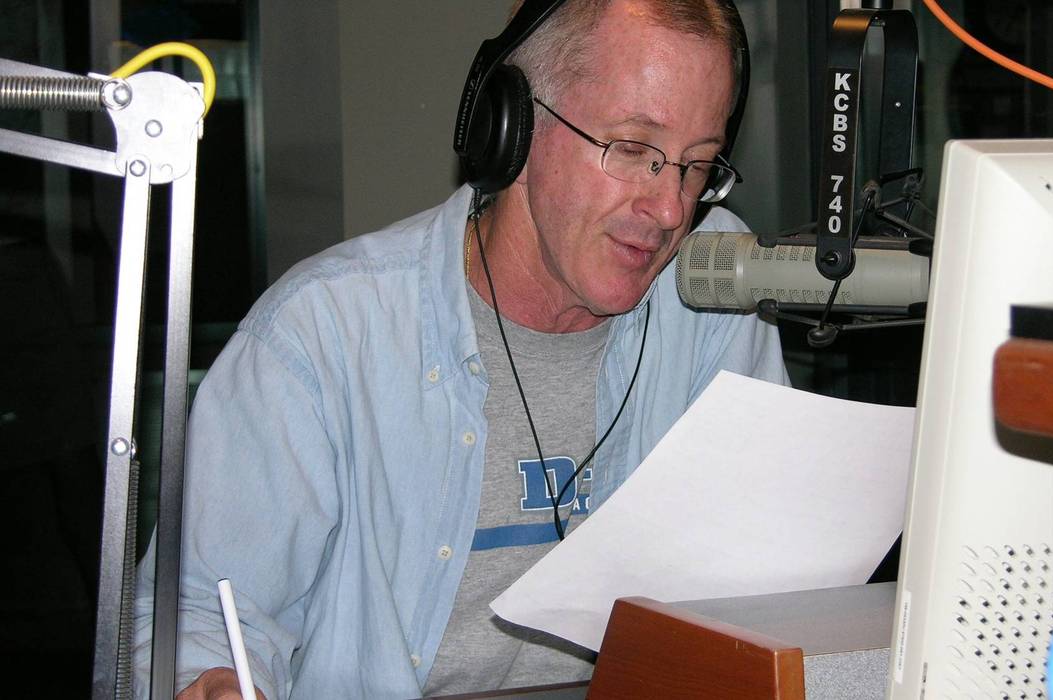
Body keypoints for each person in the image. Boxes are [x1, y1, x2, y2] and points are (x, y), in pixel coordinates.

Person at [132, 0, 788, 697]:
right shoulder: (322, 336)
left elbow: (762, 584)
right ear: (513, 127)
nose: (668, 209)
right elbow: (200, 612)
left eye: (696, 166)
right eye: (632, 150)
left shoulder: (714, 302)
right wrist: (209, 680)